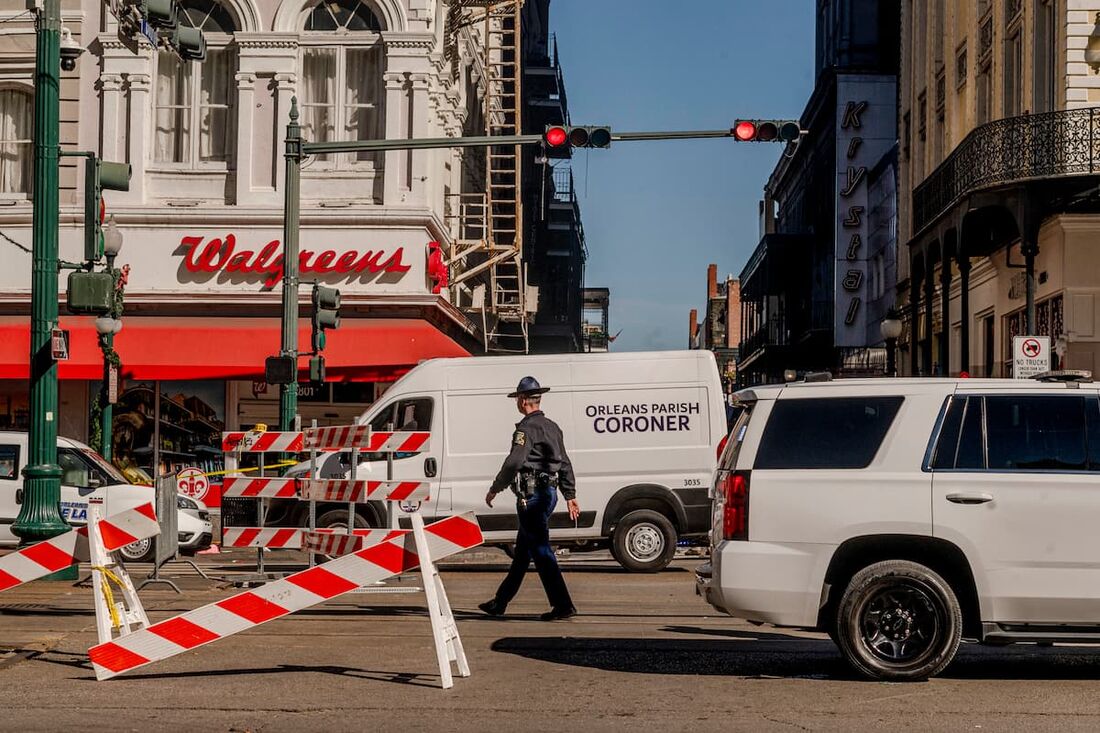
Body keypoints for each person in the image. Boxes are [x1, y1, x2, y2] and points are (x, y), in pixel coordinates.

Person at [478, 376, 579, 621]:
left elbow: (514, 462)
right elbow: (564, 462)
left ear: (523, 401)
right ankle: (500, 602)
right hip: (549, 493)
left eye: (517, 399)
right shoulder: (553, 426)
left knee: (541, 550)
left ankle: (563, 604)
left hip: (532, 496)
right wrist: (570, 495)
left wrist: (495, 488)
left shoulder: (525, 429)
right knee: (523, 552)